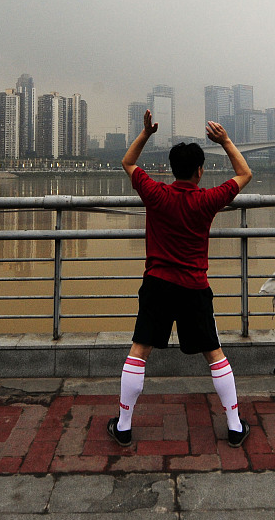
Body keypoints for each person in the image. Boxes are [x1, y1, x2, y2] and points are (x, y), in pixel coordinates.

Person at [107, 109, 254, 449]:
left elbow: (128, 163)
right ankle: (234, 426)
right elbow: (245, 173)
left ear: (172, 169)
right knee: (214, 353)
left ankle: (124, 427)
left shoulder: (156, 194)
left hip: (157, 284)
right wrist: (227, 141)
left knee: (139, 350)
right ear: (200, 171)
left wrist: (145, 133)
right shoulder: (207, 199)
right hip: (194, 287)